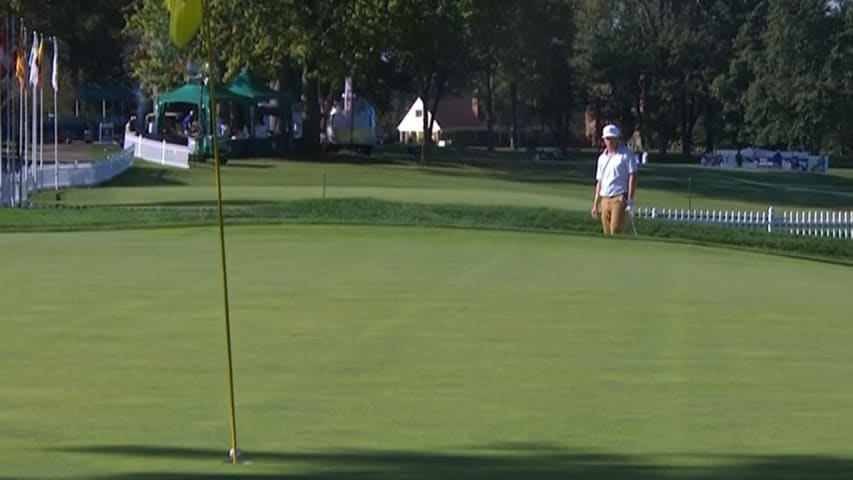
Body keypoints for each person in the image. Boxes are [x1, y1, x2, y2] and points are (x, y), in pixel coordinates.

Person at [591, 124, 638, 235]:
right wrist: (595, 204)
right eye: (607, 139)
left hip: (619, 197)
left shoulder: (626, 155)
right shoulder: (602, 158)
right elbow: (600, 182)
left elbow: (633, 176)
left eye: (612, 138)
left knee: (616, 230)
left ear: (617, 139)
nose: (610, 141)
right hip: (605, 198)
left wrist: (630, 199)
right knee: (607, 233)